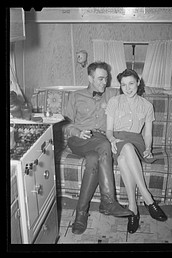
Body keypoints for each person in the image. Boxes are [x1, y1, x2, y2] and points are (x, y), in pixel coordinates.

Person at [63, 62, 132, 235]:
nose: (104, 82)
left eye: (106, 78)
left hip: (100, 139)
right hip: (79, 140)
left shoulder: (112, 94)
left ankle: (81, 214)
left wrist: (168, 90)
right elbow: (64, 124)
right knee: (103, 145)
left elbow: (134, 89)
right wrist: (77, 132)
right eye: (100, 79)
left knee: (94, 158)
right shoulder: (75, 96)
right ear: (90, 78)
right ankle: (108, 201)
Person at [105, 69, 168, 234]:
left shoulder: (147, 106)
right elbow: (109, 131)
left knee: (124, 158)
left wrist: (148, 149)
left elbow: (147, 133)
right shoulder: (114, 101)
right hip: (118, 140)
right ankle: (148, 199)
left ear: (138, 83)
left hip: (136, 142)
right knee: (125, 149)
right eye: (123, 84)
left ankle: (133, 208)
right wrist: (111, 140)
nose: (127, 88)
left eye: (131, 83)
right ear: (120, 86)